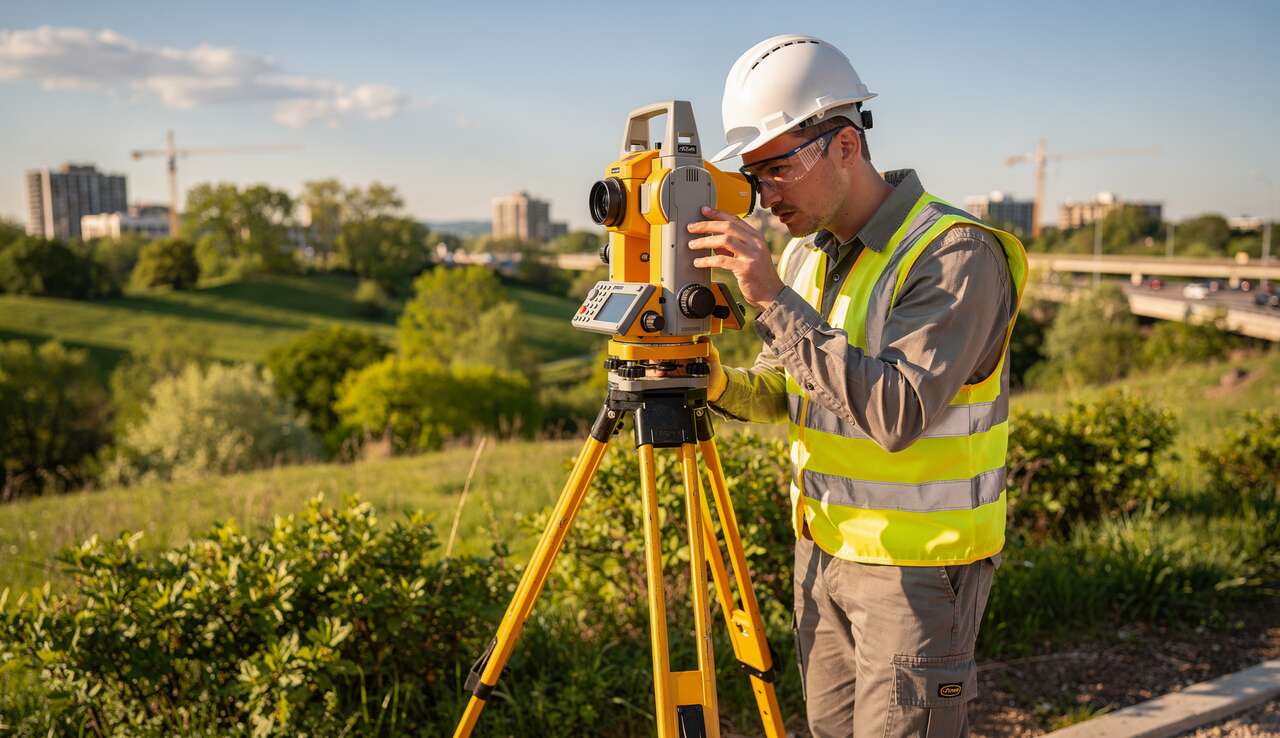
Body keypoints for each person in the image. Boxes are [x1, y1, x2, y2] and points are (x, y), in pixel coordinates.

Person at [687, 35, 1029, 737]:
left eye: (778, 168)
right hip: (825, 555)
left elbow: (897, 411)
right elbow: (788, 389)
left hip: (915, 576)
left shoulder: (953, 254)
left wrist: (772, 299)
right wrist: (713, 378)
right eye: (755, 176)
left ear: (845, 144)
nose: (766, 195)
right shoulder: (806, 256)